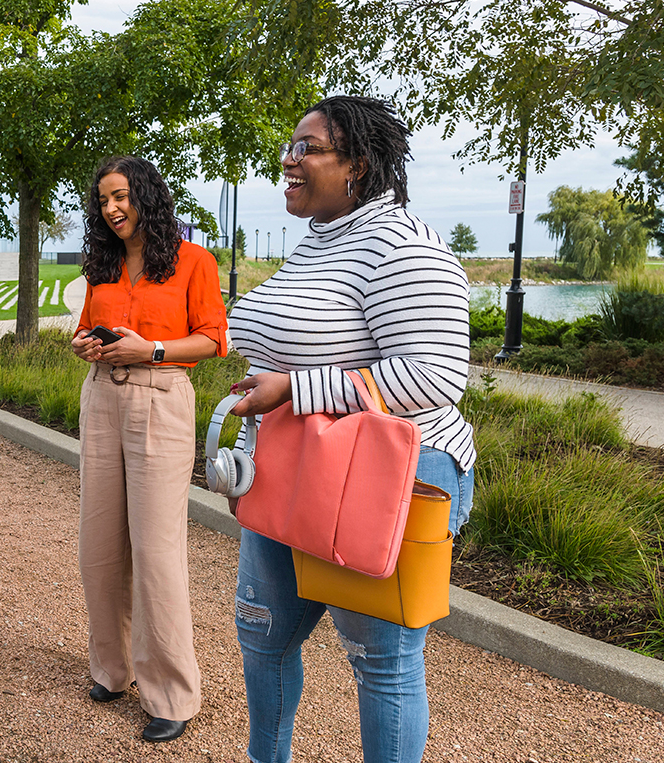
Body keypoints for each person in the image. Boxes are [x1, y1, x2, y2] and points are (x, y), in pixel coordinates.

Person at [226, 96, 475, 763]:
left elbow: (433, 376)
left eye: (308, 148)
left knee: (380, 661)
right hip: (293, 470)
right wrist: (248, 461)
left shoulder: (403, 246)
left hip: (387, 476)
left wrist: (297, 390)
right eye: (291, 144)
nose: (289, 158)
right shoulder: (319, 244)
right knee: (263, 635)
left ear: (358, 166)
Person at [69, 156, 229, 743]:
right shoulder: (102, 266)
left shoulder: (194, 261)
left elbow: (213, 340)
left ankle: (170, 691)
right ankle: (112, 669)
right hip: (101, 400)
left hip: (161, 399)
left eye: (121, 197)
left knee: (157, 549)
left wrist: (152, 351)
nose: (112, 209)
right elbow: (88, 325)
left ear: (145, 197)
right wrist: (87, 344)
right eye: (104, 200)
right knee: (99, 544)